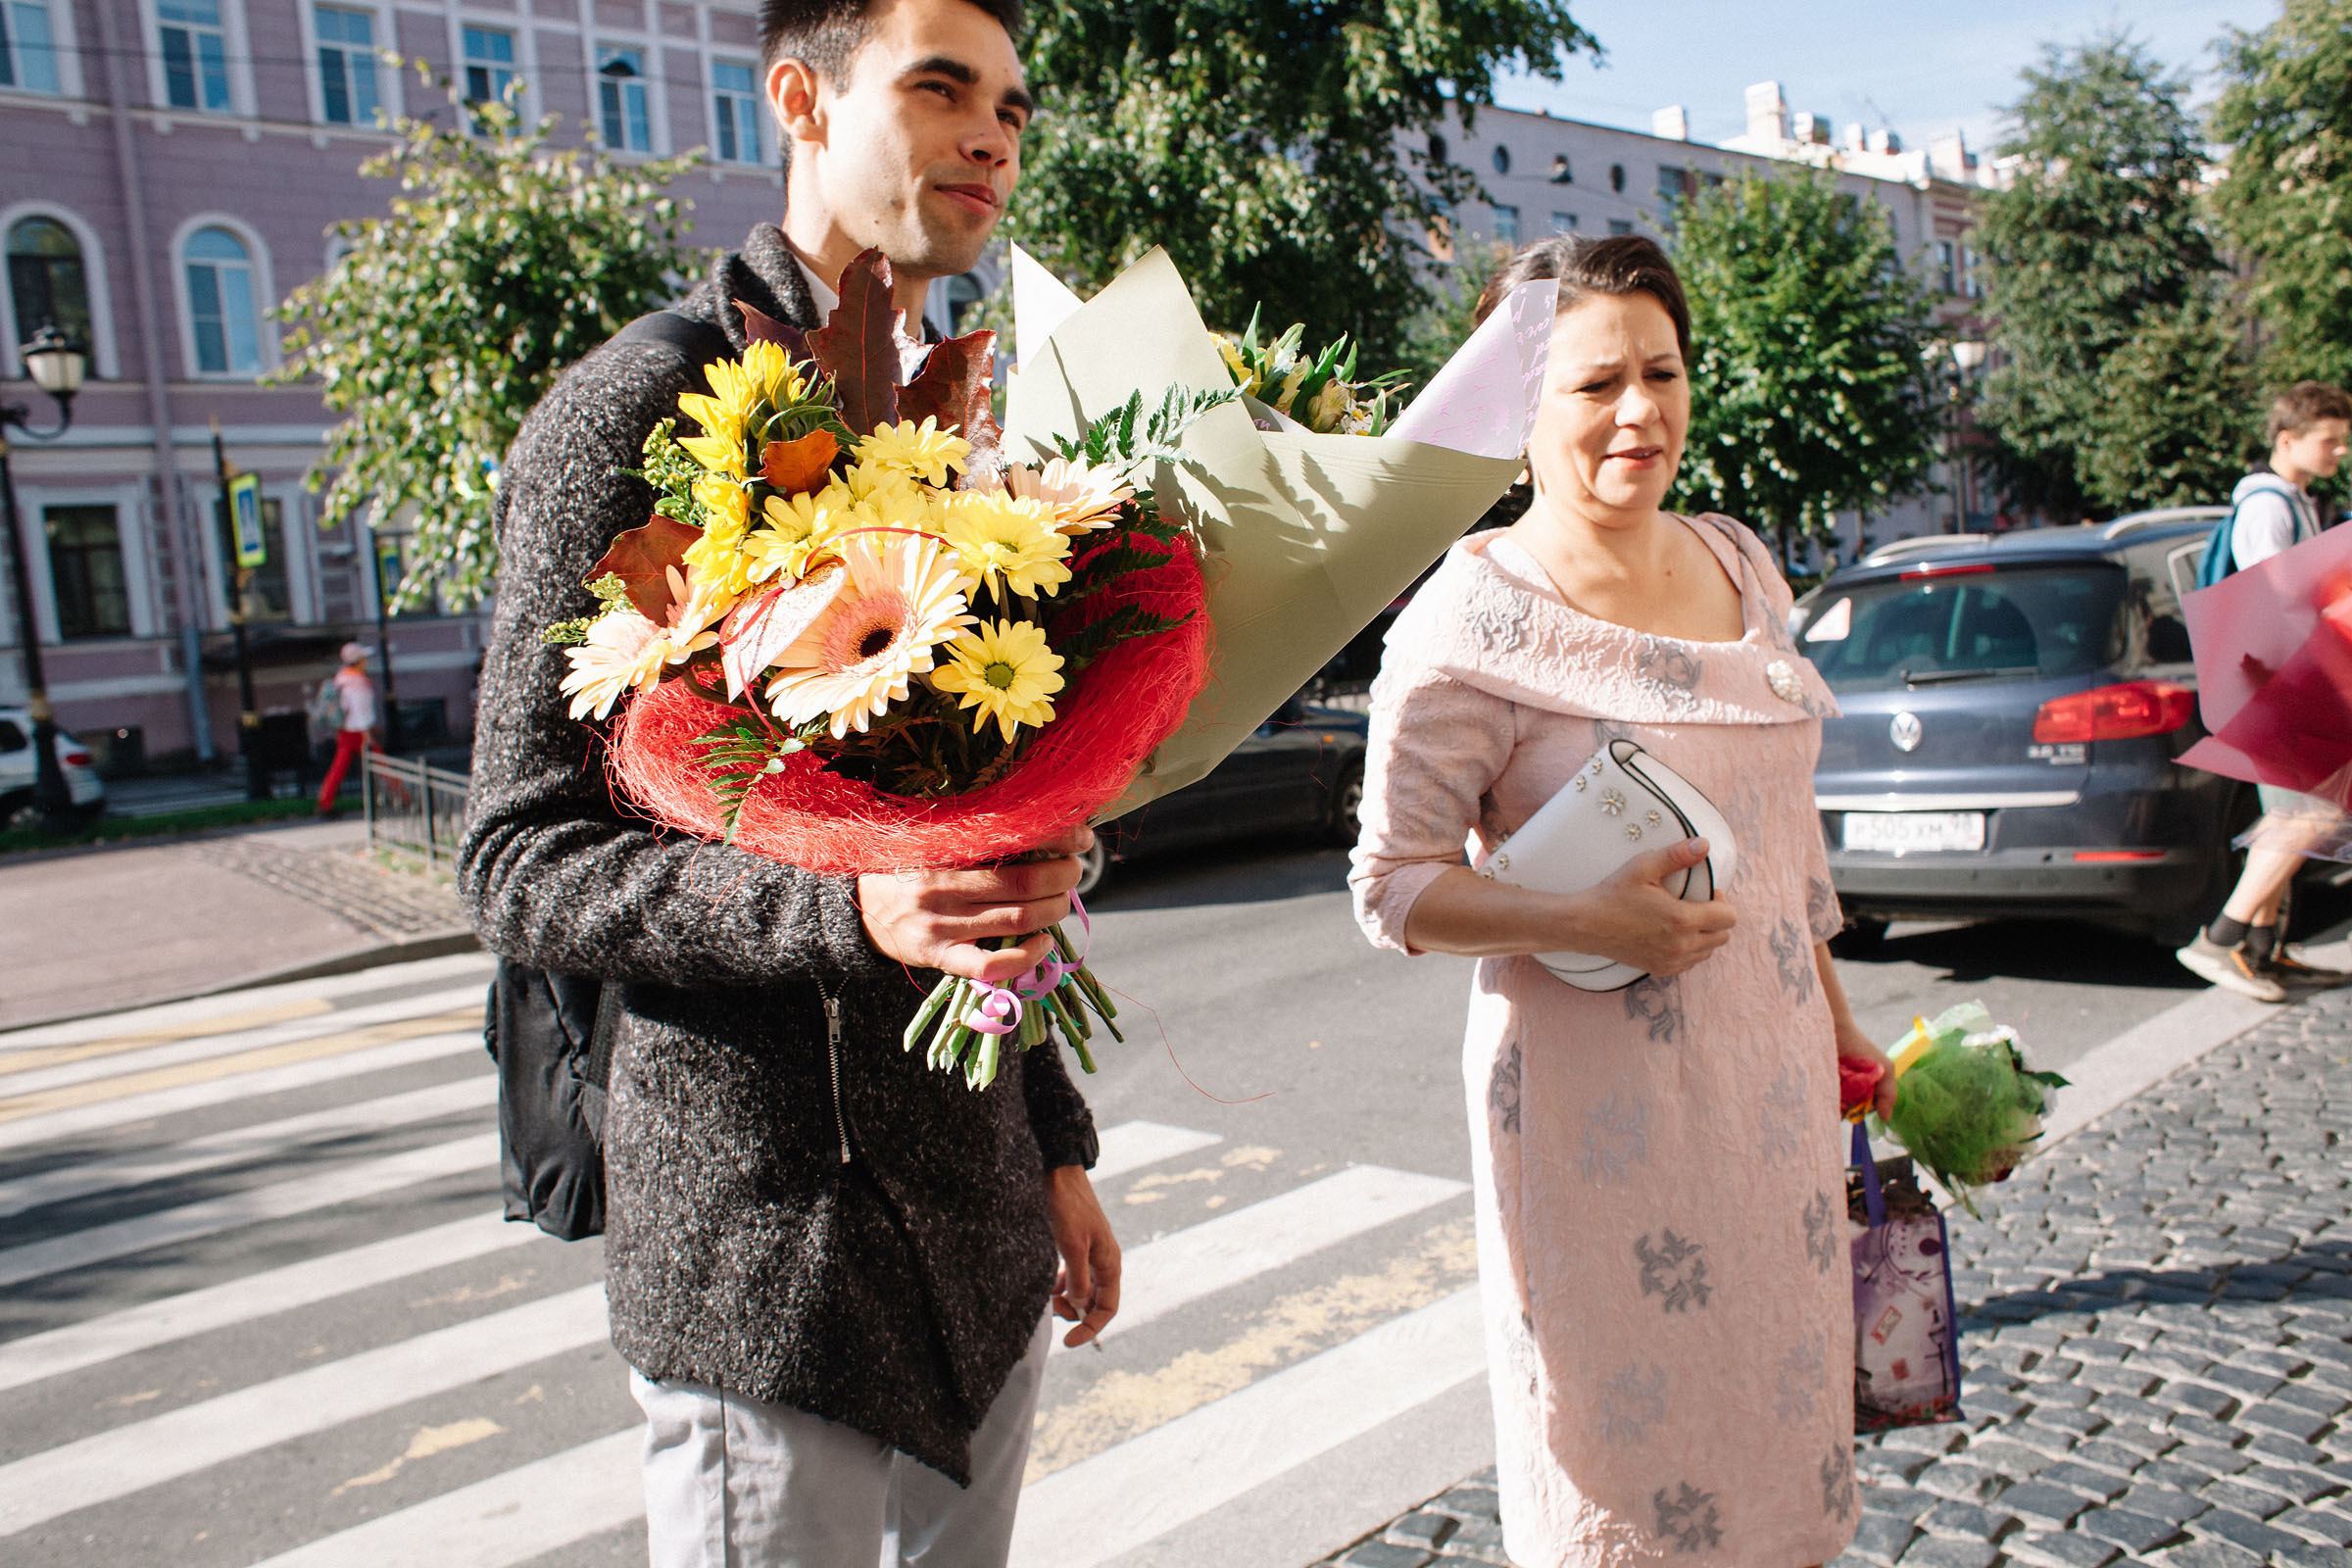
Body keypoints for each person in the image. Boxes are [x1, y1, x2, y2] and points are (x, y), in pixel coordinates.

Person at [456, 2, 1121, 1563]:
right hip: (773, 1270)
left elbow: (972, 827)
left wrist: (1056, 1142)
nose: (991, 138)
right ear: (801, 100)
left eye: (1015, 110)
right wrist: (848, 906)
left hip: (979, 1239)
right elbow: (514, 857)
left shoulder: (973, 434)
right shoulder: (637, 406)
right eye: (941, 88)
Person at [1349, 235, 1896, 1568]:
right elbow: (1392, 889)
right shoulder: (1470, 615)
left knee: (1779, 1456)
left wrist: (1840, 1027)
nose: (1639, 411)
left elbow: (1786, 849)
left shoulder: (1743, 565)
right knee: (1623, 1484)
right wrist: (1592, 918)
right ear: (1518, 410)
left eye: (1662, 371)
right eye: (1596, 383)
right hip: (1596, 1122)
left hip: (1767, 1110)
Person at [2176, 380, 2352, 1003]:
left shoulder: (2296, 502)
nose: (2340, 453)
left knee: (2294, 817)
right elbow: (2275, 602)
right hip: (2271, 688)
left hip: (2285, 685)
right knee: (2309, 816)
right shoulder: (2267, 508)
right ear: (2287, 439)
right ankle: (2217, 943)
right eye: (2330, 441)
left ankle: (2264, 951)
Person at [314, 641, 380, 814]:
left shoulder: (342, 679)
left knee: (338, 768)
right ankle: (405, 798)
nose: (366, 661)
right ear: (358, 661)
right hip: (358, 732)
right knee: (382, 765)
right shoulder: (356, 683)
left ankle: (325, 802)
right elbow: (359, 710)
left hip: (345, 731)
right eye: (364, 658)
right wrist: (366, 733)